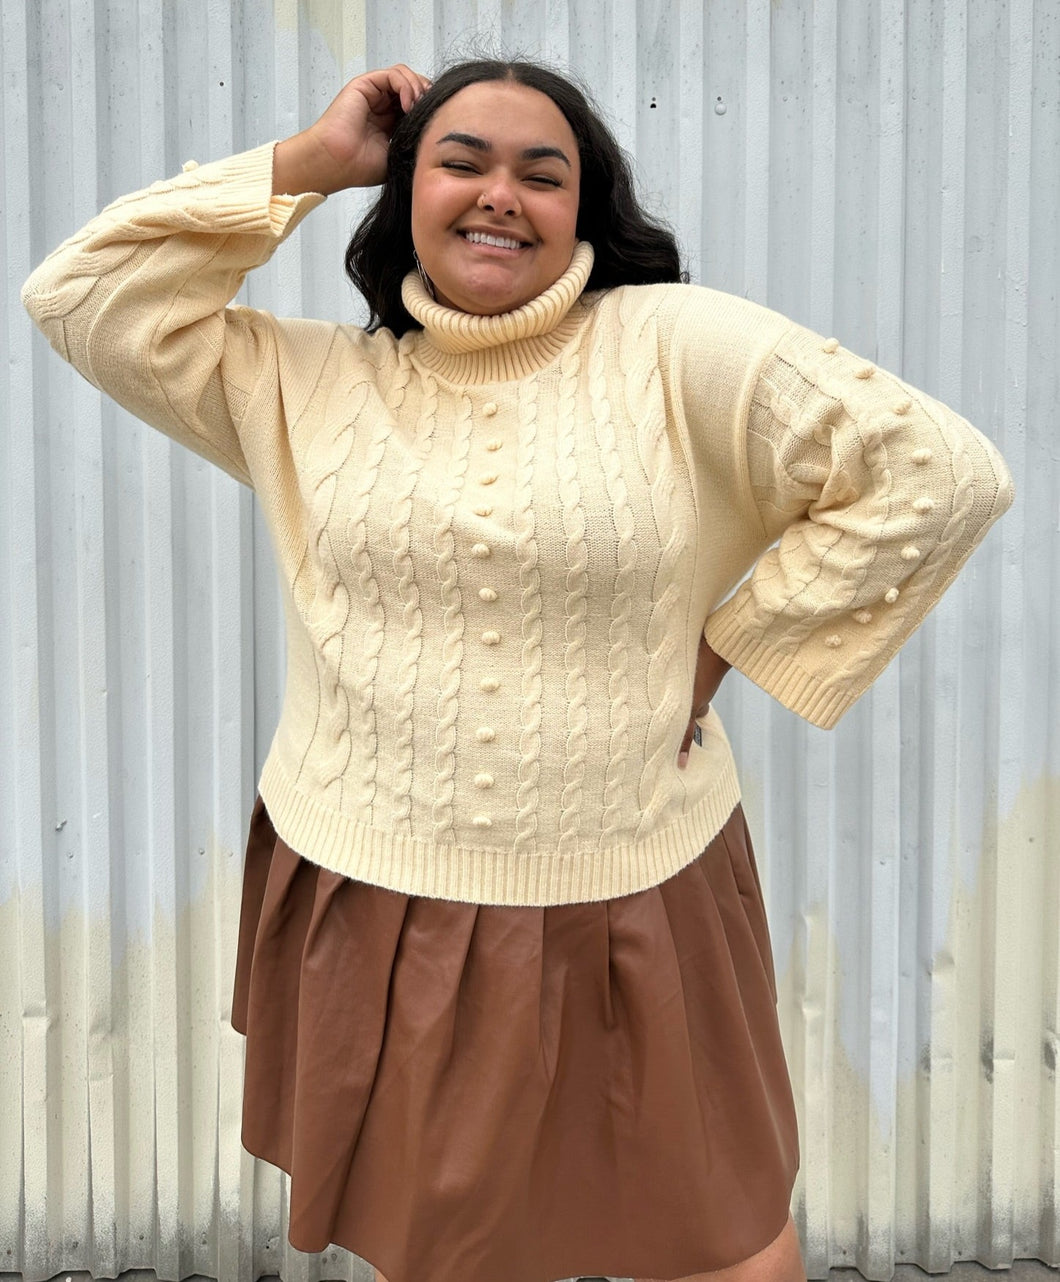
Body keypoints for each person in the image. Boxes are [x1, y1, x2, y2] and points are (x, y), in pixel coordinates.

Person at [22, 58, 1012, 1282]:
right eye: (460, 162)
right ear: (403, 191)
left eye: (542, 175)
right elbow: (81, 295)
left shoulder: (674, 345)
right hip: (383, 887)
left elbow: (938, 472)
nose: (501, 195)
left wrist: (731, 644)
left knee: (722, 1242)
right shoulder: (301, 380)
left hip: (637, 881)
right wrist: (315, 159)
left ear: (584, 210)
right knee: (446, 1254)